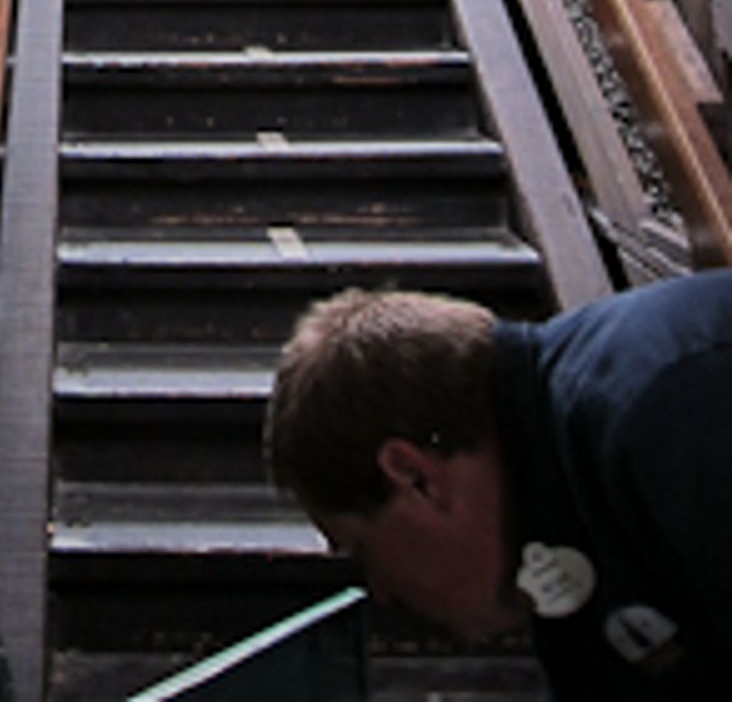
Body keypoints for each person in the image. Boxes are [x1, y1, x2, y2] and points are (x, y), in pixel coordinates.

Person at [263, 275, 732, 697]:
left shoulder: (666, 408)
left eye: (362, 551)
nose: (381, 591)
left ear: (415, 477)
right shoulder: (550, 503)